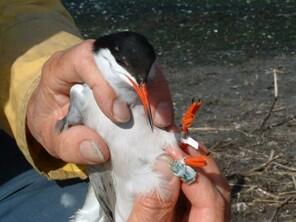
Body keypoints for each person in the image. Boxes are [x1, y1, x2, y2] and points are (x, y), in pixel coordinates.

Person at [0, 1, 230, 221]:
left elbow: (19, 7)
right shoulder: (85, 93)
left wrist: (35, 90)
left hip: (21, 165)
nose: (142, 87)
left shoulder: (89, 87)